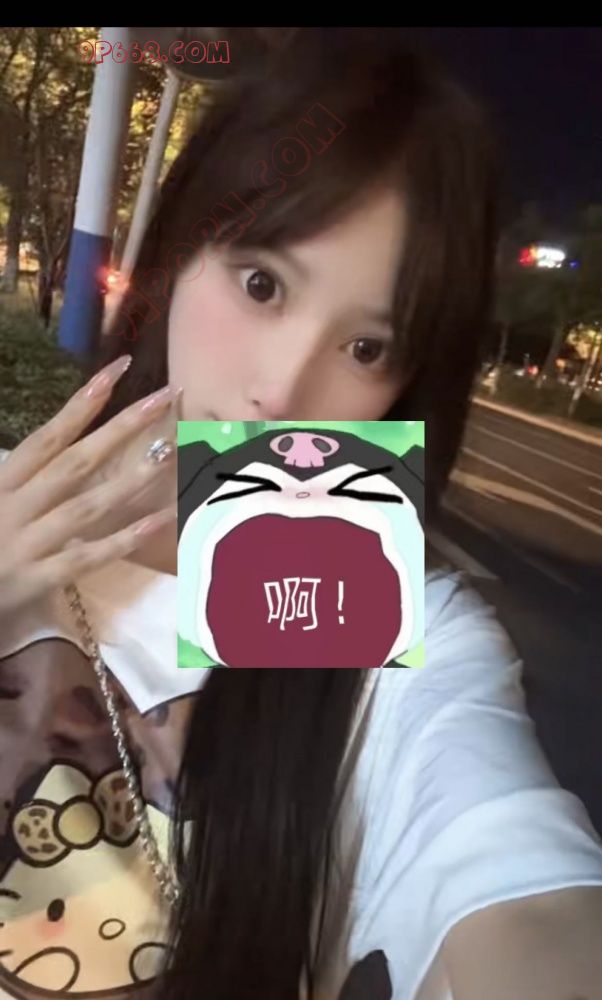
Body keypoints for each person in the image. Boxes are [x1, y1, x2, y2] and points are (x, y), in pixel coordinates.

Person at [1, 27, 601, 1000]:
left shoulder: (389, 630)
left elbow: (514, 877)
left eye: (366, 349)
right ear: (179, 251)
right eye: (262, 285)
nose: (282, 390)